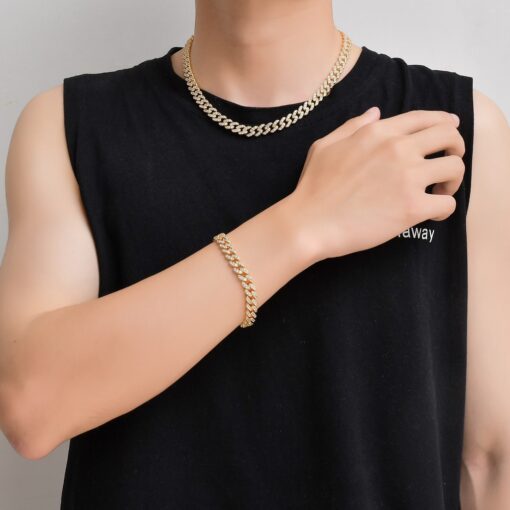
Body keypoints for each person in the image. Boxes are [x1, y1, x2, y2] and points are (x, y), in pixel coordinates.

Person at [0, 0, 509, 508]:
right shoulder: (70, 125)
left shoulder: (449, 133)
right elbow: (31, 406)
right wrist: (304, 223)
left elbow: (490, 462)